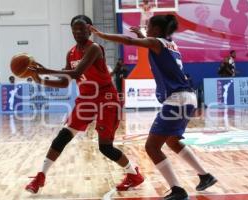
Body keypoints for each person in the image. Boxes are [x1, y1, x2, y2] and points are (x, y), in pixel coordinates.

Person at [90, 14, 217, 200]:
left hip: (176, 99)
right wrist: (142, 34)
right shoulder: (171, 45)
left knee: (151, 147)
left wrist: (102, 34)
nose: (146, 30)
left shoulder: (157, 43)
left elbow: (127, 40)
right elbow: (150, 44)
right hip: (189, 97)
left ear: (156, 30)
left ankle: (177, 190)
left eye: (148, 27)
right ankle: (205, 175)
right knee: (172, 141)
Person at [25, 15, 144, 194]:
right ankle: (40, 176)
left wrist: (45, 70)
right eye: (74, 30)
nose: (77, 32)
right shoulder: (71, 52)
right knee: (62, 137)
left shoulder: (95, 48)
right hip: (86, 97)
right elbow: (65, 81)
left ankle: (133, 173)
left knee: (105, 147)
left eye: (81, 29)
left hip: (106, 96)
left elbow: (76, 72)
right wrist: (39, 79)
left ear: (90, 29)